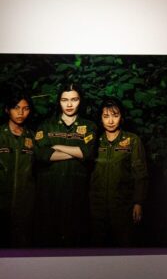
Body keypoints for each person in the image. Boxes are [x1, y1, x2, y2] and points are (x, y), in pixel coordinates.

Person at [34, 83, 97, 248]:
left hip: (77, 193)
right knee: (48, 241)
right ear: (59, 101)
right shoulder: (46, 126)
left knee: (75, 241)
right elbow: (42, 155)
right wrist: (77, 153)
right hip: (49, 192)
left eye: (74, 99)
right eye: (64, 100)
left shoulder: (89, 126)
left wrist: (56, 146)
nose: (69, 104)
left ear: (80, 101)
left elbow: (88, 153)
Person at [90, 97, 148, 247]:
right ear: (100, 118)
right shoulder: (94, 141)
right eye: (106, 116)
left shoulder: (132, 140)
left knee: (124, 247)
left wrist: (138, 202)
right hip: (96, 206)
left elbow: (140, 174)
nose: (110, 121)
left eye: (115, 116)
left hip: (123, 206)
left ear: (121, 117)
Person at [0, 90, 36, 248]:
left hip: (25, 205)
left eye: (25, 108)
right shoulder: (1, 135)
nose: (21, 113)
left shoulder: (33, 137)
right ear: (7, 109)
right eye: (16, 108)